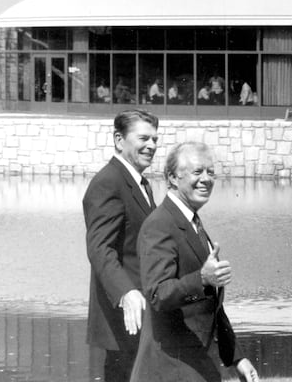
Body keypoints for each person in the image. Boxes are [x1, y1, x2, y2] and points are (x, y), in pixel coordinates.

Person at [130, 142, 259, 382]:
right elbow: (157, 294)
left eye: (211, 172)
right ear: (172, 178)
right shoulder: (160, 224)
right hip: (171, 371)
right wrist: (201, 278)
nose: (206, 179)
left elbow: (210, 305)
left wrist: (236, 357)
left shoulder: (191, 221)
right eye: (197, 172)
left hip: (196, 368)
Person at [83, 109, 160, 382]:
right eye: (143, 139)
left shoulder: (141, 183)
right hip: (123, 315)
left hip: (142, 312)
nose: (151, 146)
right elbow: (99, 248)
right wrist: (125, 292)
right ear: (119, 140)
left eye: (155, 139)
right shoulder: (108, 182)